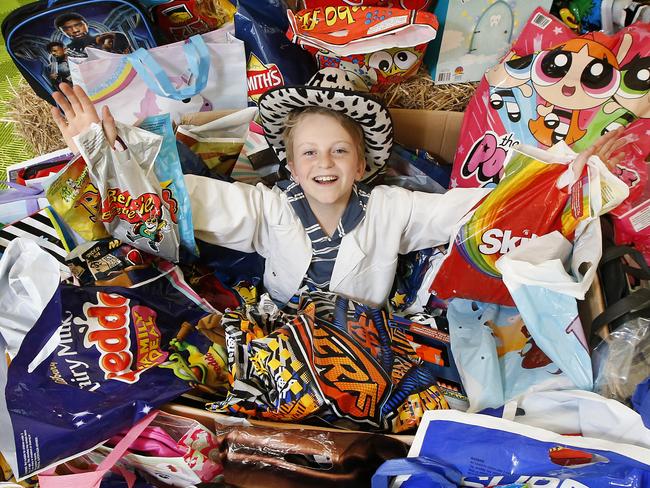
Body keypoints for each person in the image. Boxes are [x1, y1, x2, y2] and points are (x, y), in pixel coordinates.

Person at [51, 69, 626, 308]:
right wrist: (104, 152)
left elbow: (464, 209)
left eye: (339, 151)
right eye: (309, 153)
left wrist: (563, 171)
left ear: (363, 165)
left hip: (372, 343)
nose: (323, 164)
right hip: (276, 340)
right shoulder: (266, 208)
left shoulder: (392, 209)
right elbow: (187, 199)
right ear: (292, 168)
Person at [54, 12, 131, 58]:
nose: (75, 30)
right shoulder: (66, 53)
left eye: (79, 25)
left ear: (87, 25)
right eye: (67, 28)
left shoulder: (115, 37)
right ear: (62, 32)